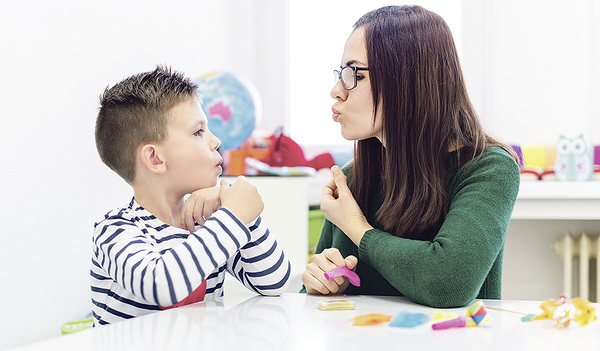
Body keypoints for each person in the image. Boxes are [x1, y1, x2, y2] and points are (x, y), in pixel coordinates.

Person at [301, 5, 520, 308]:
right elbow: (312, 299)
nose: (336, 90)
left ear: (407, 79)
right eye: (341, 73)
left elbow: (448, 283)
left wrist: (356, 227)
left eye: (354, 74)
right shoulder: (352, 177)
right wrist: (318, 284)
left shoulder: (488, 169)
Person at [92, 66, 291, 326]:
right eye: (198, 132)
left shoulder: (208, 223)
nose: (216, 140)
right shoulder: (115, 230)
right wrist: (233, 217)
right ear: (155, 158)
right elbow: (159, 284)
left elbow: (274, 282)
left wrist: (245, 218)